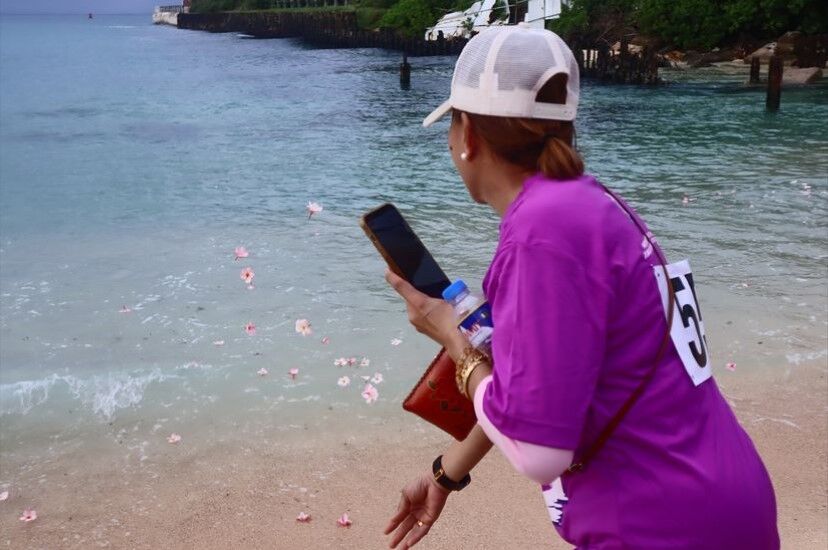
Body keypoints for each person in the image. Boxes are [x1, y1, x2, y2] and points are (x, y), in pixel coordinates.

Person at [382, 23, 779, 550]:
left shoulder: (541, 233)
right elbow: (544, 390)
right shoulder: (588, 206)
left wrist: (454, 340)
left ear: (468, 137)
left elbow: (539, 448)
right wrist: (445, 474)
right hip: (715, 494)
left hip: (661, 521)